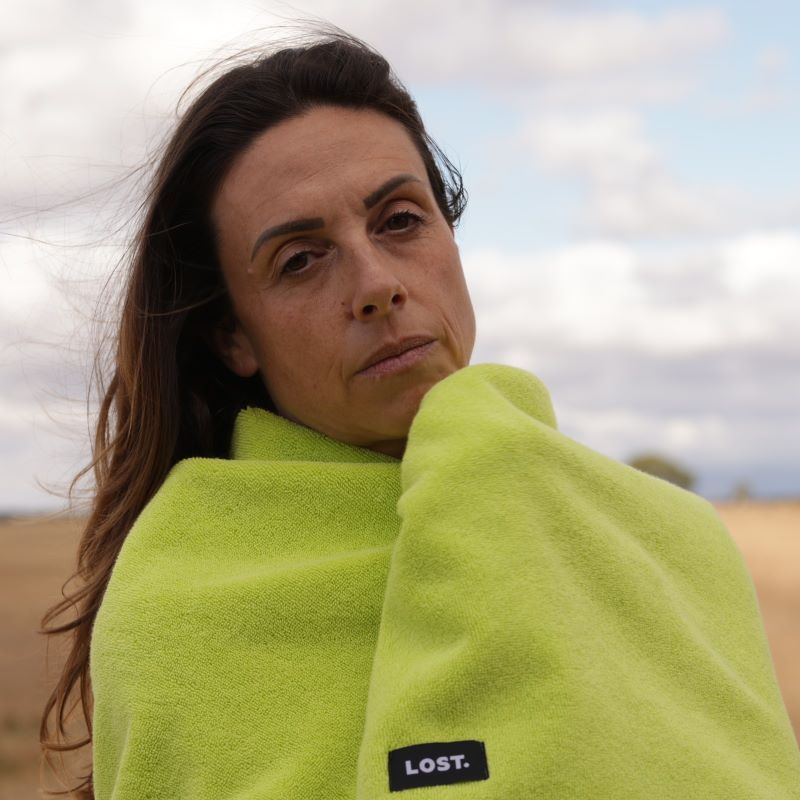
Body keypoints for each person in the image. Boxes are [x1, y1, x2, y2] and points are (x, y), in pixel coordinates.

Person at [40, 31, 800, 800]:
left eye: (400, 220)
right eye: (300, 259)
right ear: (234, 335)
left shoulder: (672, 541)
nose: (376, 283)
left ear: (450, 235)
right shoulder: (177, 616)